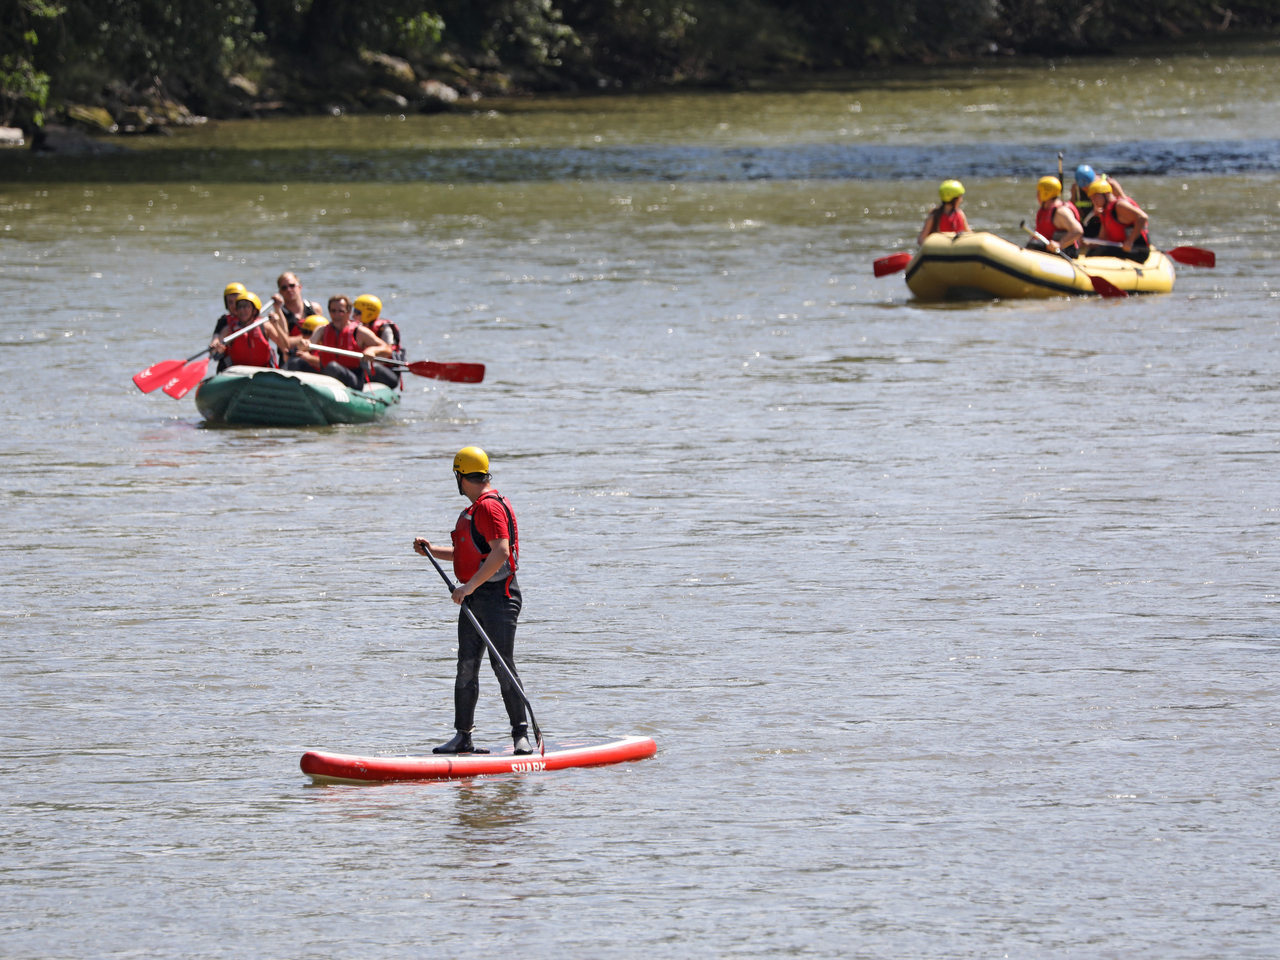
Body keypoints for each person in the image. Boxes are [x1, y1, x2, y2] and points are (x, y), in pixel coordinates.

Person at [413, 447, 530, 756]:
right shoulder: (475, 510)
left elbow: (501, 552)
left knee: (501, 664)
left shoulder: (489, 508)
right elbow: (470, 556)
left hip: (499, 598)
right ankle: (463, 737)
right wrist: (431, 550)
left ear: (461, 477)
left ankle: (521, 736)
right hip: (474, 597)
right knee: (466, 666)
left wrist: (467, 587)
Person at [298, 294, 393, 388]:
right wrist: (303, 345)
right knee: (296, 362)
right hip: (328, 375)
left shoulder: (359, 332)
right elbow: (308, 345)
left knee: (332, 367)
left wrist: (373, 350)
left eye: (341, 311)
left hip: (353, 378)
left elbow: (387, 348)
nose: (336, 315)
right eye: (333, 311)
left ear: (348, 312)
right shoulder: (322, 330)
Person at [210, 292, 290, 372]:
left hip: (263, 372)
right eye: (239, 307)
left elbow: (285, 347)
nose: (242, 310)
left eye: (245, 306)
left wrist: (276, 325)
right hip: (239, 373)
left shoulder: (265, 326)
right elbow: (214, 353)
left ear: (254, 310)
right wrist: (218, 350)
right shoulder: (229, 330)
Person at [1082, 178, 1150, 262]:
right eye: (1091, 199)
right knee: (1092, 251)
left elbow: (1142, 217)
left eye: (1095, 197)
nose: (1093, 201)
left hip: (1137, 250)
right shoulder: (1104, 212)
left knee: (1103, 250)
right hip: (1119, 248)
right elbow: (1102, 239)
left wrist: (1130, 241)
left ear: (1106, 194)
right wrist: (1088, 244)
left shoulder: (1119, 206)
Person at [352, 294, 404, 389]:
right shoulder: (356, 329)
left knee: (374, 367)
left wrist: (372, 351)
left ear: (368, 313)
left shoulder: (384, 329)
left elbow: (387, 352)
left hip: (388, 372)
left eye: (357, 312)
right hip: (365, 367)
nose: (353, 315)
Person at [1027, 176, 1083, 257]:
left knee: (1034, 245)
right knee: (1032, 244)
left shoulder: (1060, 211)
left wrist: (1060, 245)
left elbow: (1078, 230)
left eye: (1039, 192)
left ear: (1046, 193)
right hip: (1051, 249)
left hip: (1066, 251)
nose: (1037, 196)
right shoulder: (1045, 210)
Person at [270, 272, 326, 341]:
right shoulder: (278, 315)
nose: (289, 289)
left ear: (300, 287)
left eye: (292, 285)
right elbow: (285, 343)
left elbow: (324, 335)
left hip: (313, 351)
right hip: (294, 351)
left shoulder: (315, 308)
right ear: (280, 292)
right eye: (284, 288)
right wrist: (312, 336)